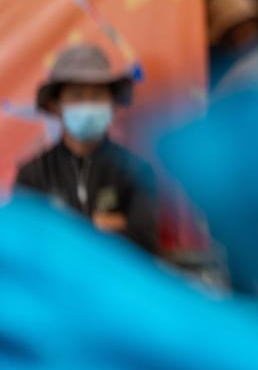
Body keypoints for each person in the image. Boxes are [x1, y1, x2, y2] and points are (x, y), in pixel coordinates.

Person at [16, 43, 158, 254]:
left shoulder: (136, 171)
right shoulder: (33, 174)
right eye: (77, 95)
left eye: (97, 95)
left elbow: (144, 241)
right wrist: (107, 225)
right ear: (56, 105)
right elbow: (25, 245)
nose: (88, 104)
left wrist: (61, 228)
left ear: (112, 103)